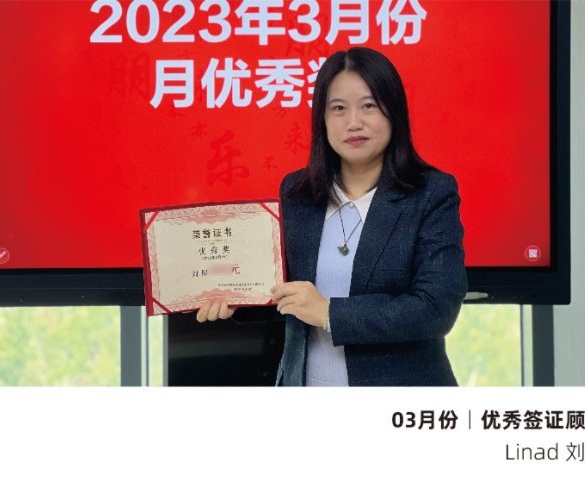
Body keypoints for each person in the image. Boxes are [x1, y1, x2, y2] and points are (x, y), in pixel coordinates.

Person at [196, 47, 467, 386]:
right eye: (338, 108)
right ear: (322, 119)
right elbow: (283, 290)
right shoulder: (298, 192)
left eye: (369, 106)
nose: (354, 123)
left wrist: (329, 313)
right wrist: (237, 299)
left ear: (394, 112)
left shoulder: (430, 194)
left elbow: (435, 308)